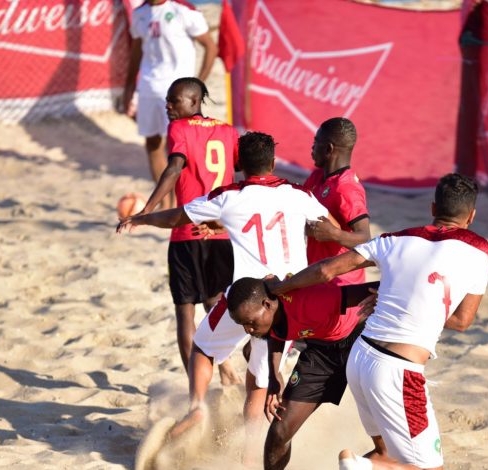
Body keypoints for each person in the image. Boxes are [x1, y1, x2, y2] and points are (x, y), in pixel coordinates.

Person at [117, 131, 335, 464]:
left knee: (203, 350)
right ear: (274, 162)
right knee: (260, 381)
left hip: (246, 297)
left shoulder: (229, 195)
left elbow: (177, 217)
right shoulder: (299, 194)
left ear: (239, 164)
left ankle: (197, 406)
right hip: (287, 302)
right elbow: (328, 227)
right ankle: (249, 456)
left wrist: (142, 218)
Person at [267, 174, 488, 470]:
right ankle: (359, 466)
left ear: (433, 208)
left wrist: (280, 287)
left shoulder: (394, 239)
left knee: (387, 454)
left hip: (360, 359)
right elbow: (462, 320)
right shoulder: (479, 249)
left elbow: (326, 271)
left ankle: (363, 465)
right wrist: (407, 305)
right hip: (398, 370)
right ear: (471, 215)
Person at [136, 77, 240, 384]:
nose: (168, 105)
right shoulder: (228, 130)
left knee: (185, 313)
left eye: (174, 100)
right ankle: (225, 368)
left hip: (187, 233)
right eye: (167, 100)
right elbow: (240, 167)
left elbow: (173, 169)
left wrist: (148, 209)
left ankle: (197, 390)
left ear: (194, 102)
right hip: (221, 234)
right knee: (214, 305)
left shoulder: (178, 128)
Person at [225, 277, 380, 470]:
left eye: (250, 322)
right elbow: (276, 332)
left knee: (387, 437)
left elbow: (370, 290)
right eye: (242, 325)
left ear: (267, 304)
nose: (247, 330)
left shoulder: (310, 299)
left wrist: (391, 292)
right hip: (321, 352)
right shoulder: (271, 315)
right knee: (279, 432)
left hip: (362, 341)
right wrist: (273, 377)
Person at [122, 0, 218, 209]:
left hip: (177, 91)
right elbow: (137, 51)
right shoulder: (140, 13)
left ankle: (183, 200)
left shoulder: (183, 10)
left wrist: (197, 85)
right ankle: (166, 203)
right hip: (148, 87)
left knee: (179, 147)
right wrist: (128, 87)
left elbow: (210, 47)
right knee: (152, 143)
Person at [303, 117, 371, 286]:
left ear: (329, 148)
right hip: (316, 276)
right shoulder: (317, 176)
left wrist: (334, 234)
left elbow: (365, 238)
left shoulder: (346, 188)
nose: (312, 147)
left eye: (316, 142)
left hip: (341, 284)